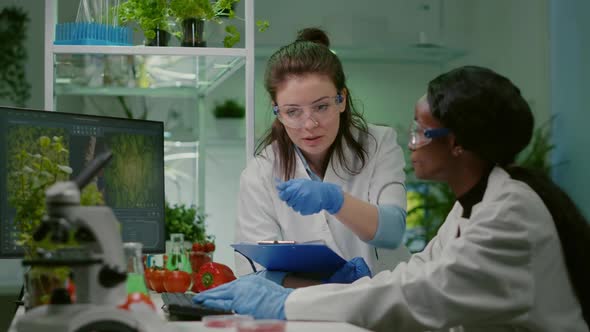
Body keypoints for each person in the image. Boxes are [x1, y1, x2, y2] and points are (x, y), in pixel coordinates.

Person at [196, 66, 590, 331]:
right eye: (292, 111)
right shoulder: (479, 202)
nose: (411, 142)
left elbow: (419, 294)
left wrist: (286, 302)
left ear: (456, 144)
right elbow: (417, 274)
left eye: (421, 132)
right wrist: (292, 293)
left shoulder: (511, 211)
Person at [234, 27, 410, 285]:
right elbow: (259, 271)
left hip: (386, 308)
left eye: (321, 106)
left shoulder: (378, 143)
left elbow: (392, 231)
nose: (310, 124)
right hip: (309, 312)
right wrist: (335, 291)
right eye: (293, 111)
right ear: (278, 112)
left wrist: (335, 200)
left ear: (342, 99)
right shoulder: (260, 173)